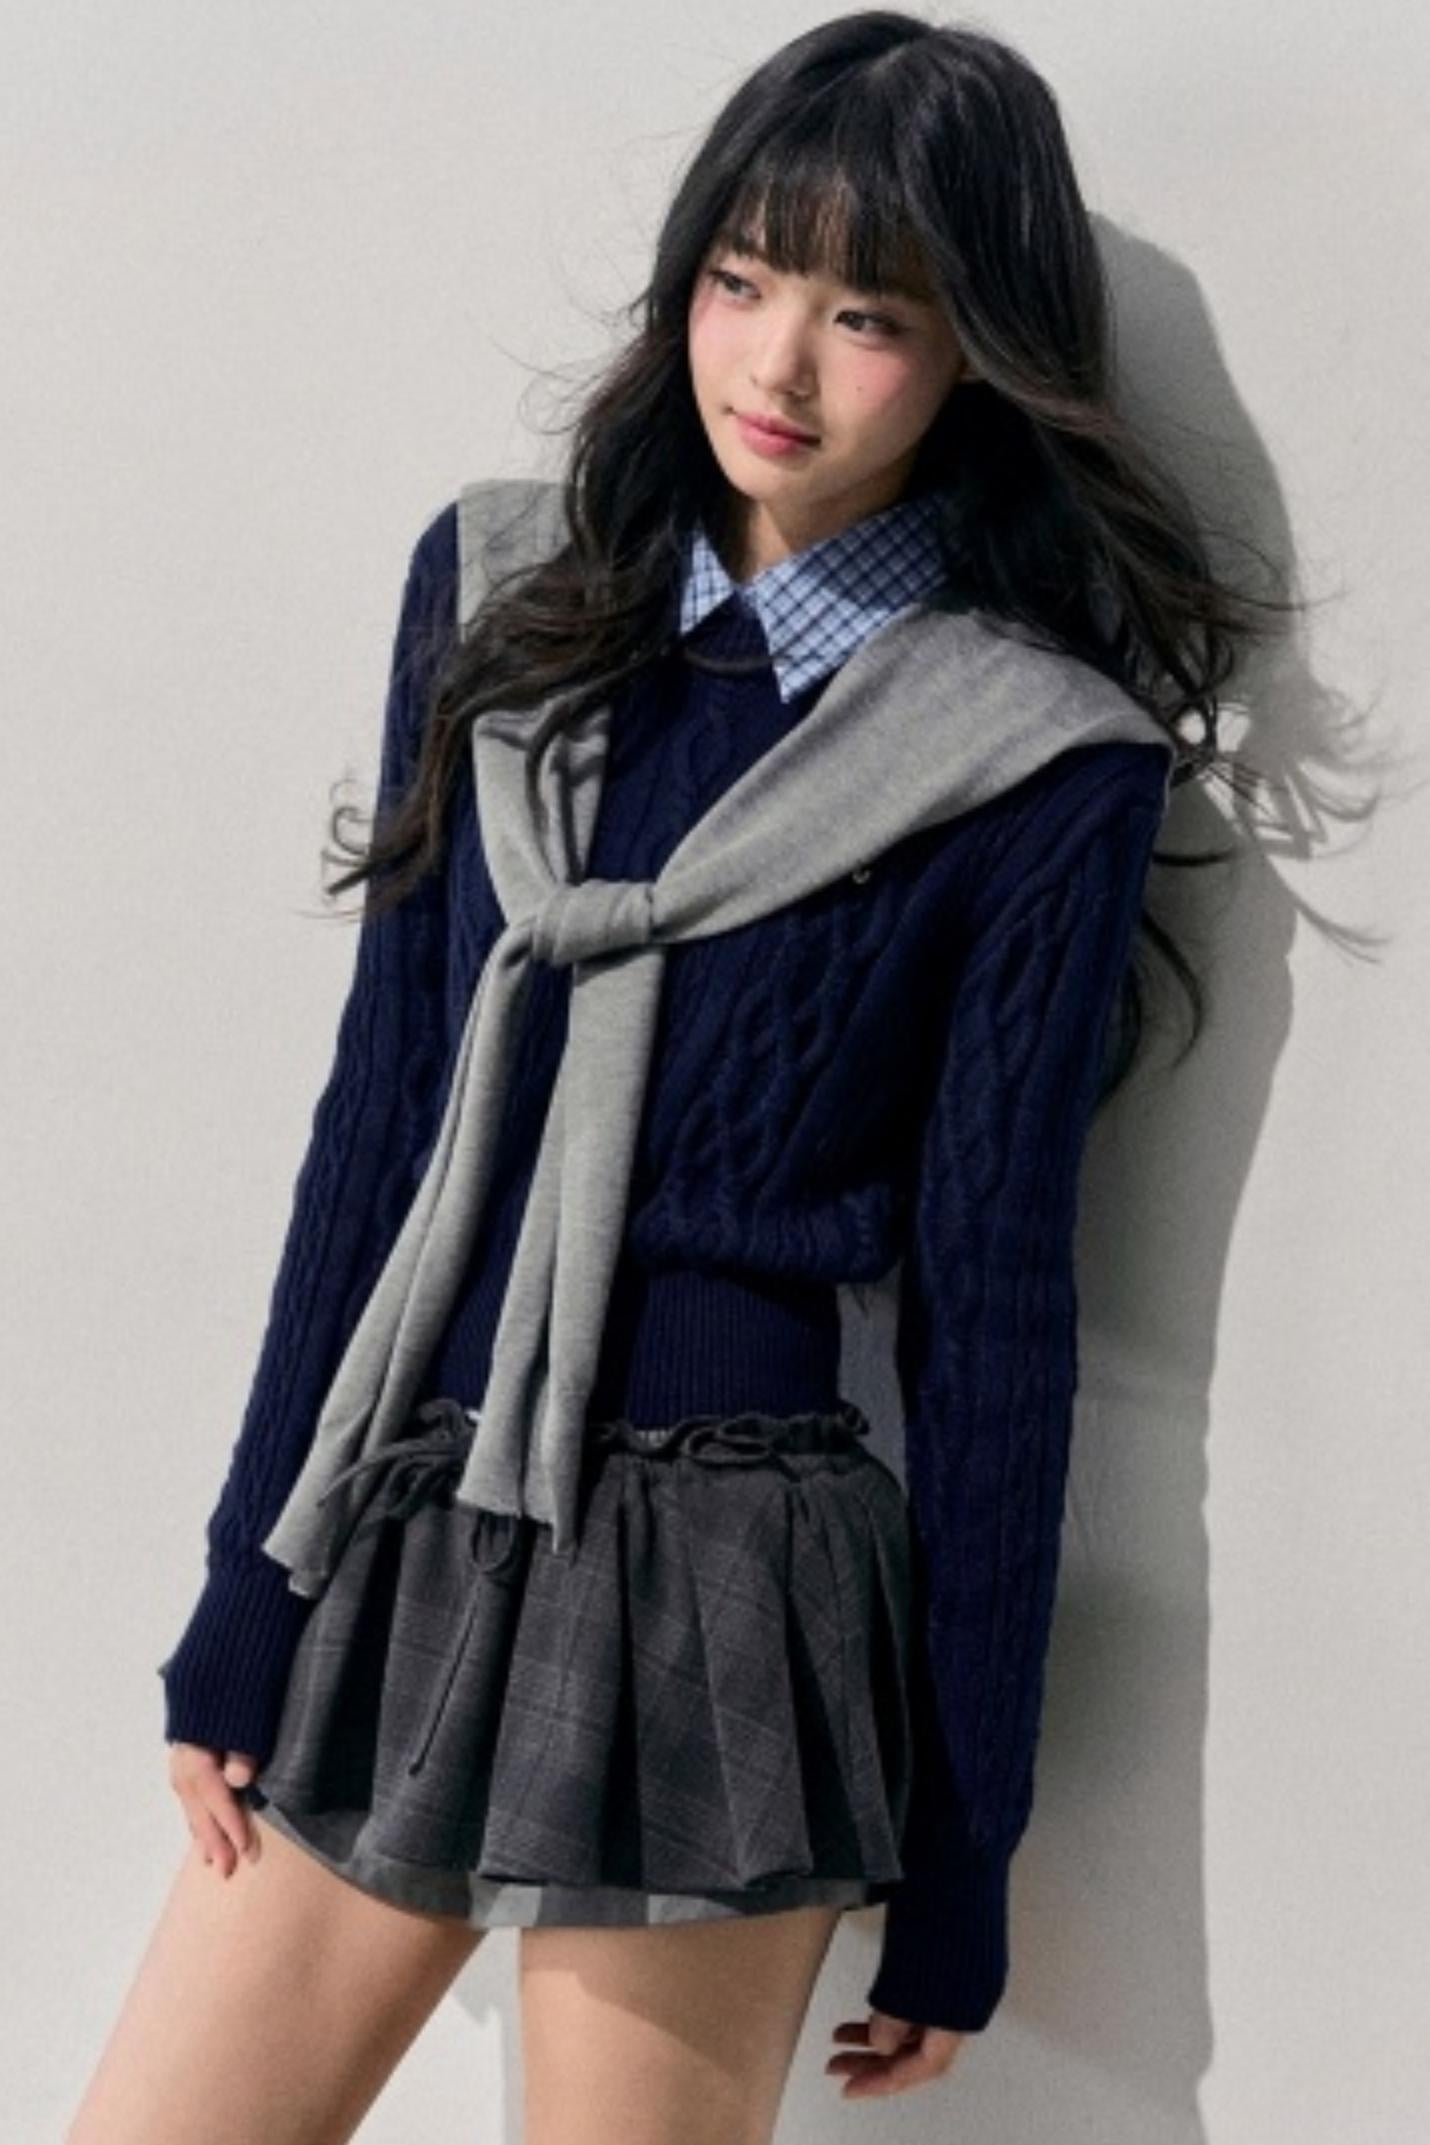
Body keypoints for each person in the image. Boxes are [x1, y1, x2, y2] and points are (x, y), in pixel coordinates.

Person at [67, 13, 1285, 2142]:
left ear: (978, 354)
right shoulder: (502, 588)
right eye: (740, 279)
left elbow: (994, 1318)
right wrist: (249, 1581)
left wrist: (962, 1841)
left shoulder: (1031, 757)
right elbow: (379, 1124)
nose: (778, 365)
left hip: (732, 1580)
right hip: (415, 1496)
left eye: (867, 316)